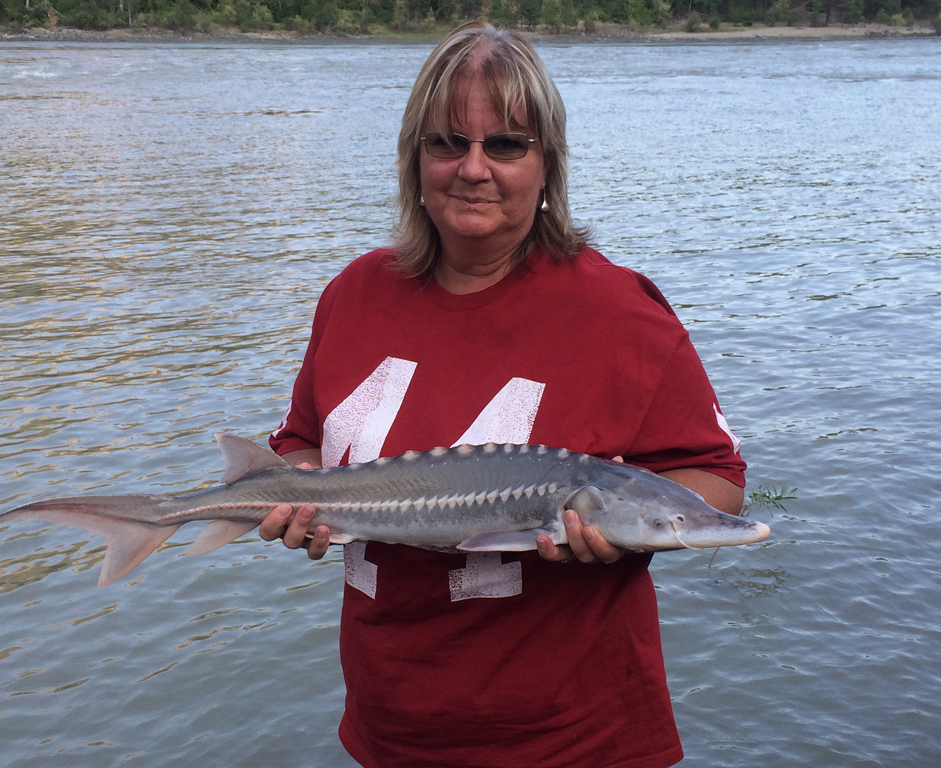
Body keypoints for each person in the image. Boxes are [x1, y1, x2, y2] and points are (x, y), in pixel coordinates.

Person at [261, 21, 746, 768]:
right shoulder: (354, 293)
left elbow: (717, 480)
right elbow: (300, 442)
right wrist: (296, 509)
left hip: (573, 743)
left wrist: (613, 534)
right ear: (413, 160)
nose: (473, 168)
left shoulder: (619, 311)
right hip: (389, 732)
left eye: (507, 144)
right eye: (446, 142)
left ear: (547, 163)